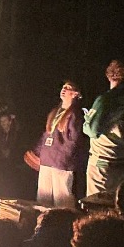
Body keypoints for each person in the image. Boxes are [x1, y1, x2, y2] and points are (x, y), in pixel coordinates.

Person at [82, 59, 124, 202]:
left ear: (109, 75)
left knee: (96, 205)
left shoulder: (106, 100)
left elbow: (91, 130)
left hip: (103, 163)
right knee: (117, 204)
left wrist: (86, 122)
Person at [33, 81, 84, 209]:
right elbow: (46, 135)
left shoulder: (74, 114)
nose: (64, 89)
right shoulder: (55, 112)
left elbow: (74, 141)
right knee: (43, 202)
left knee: (62, 203)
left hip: (61, 164)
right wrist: (37, 152)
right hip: (47, 161)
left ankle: (65, 226)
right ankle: (43, 226)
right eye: (63, 87)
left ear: (75, 94)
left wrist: (64, 156)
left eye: (68, 88)